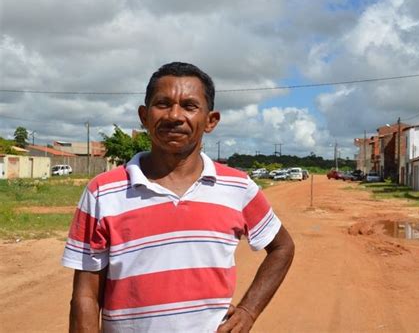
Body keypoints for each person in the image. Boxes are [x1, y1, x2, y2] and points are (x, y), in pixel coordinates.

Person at [62, 62, 295, 332]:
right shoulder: (103, 191)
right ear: (144, 115)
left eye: (189, 106)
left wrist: (248, 311)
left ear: (211, 121)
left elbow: (282, 247)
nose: (174, 115)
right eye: (162, 103)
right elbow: (85, 295)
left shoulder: (238, 187)